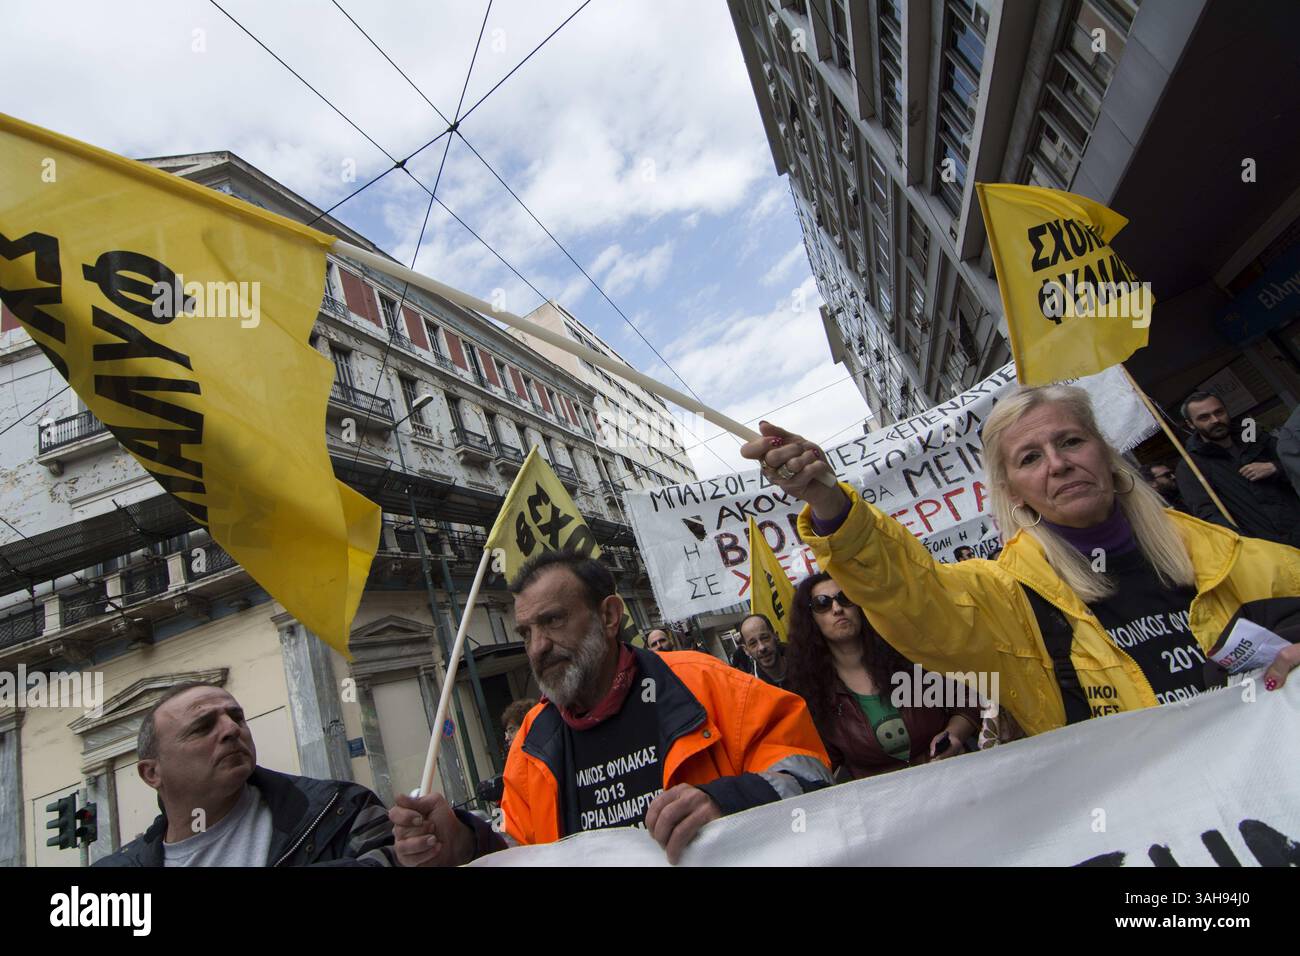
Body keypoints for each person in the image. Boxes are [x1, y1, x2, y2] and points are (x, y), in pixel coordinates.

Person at [740, 389, 1300, 739]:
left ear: (1103, 455)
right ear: (1015, 492)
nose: (1058, 464)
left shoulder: (1243, 560)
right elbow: (913, 596)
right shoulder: (1006, 598)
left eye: (1072, 442)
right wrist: (832, 502)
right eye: (1031, 457)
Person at [388, 551, 831, 866]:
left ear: (609, 616)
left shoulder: (705, 682)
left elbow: (814, 778)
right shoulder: (530, 743)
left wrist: (727, 802)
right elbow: (523, 854)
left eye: (554, 620)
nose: (538, 647)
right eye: (526, 633)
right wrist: (466, 844)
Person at [95, 683, 395, 867]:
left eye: (236, 717)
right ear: (151, 773)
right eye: (203, 727)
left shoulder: (342, 811)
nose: (231, 729)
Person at [785, 572, 979, 779]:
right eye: (822, 604)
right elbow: (823, 763)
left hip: (955, 780)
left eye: (845, 598)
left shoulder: (906, 653)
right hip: (885, 803)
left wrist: (954, 734)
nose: (837, 609)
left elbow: (967, 700)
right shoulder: (812, 691)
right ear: (810, 619)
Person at [1175, 391, 1300, 546]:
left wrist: (1276, 467)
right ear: (1190, 424)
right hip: (1268, 549)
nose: (1215, 420)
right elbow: (1208, 515)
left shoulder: (1256, 437)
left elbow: (1295, 463)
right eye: (1204, 417)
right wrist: (1247, 546)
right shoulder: (1191, 467)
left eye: (1218, 412)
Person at [736, 613, 789, 687]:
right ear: (746, 650)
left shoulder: (807, 662)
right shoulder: (753, 690)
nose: (761, 647)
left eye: (765, 638)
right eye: (753, 643)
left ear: (776, 637)